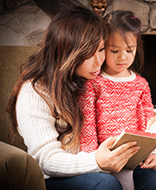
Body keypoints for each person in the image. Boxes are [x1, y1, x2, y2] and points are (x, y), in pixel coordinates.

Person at [7, 6, 141, 190]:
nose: (98, 61)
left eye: (101, 49)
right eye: (87, 55)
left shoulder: (89, 78)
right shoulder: (34, 91)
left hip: (98, 166)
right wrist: (97, 161)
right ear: (67, 54)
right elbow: (47, 159)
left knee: (151, 178)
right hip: (52, 178)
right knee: (105, 184)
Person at [79, 10, 156, 190]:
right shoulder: (94, 84)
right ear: (102, 47)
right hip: (110, 159)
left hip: (139, 156)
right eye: (114, 50)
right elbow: (88, 127)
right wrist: (95, 161)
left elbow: (149, 123)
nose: (122, 57)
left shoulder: (141, 84)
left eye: (129, 50)